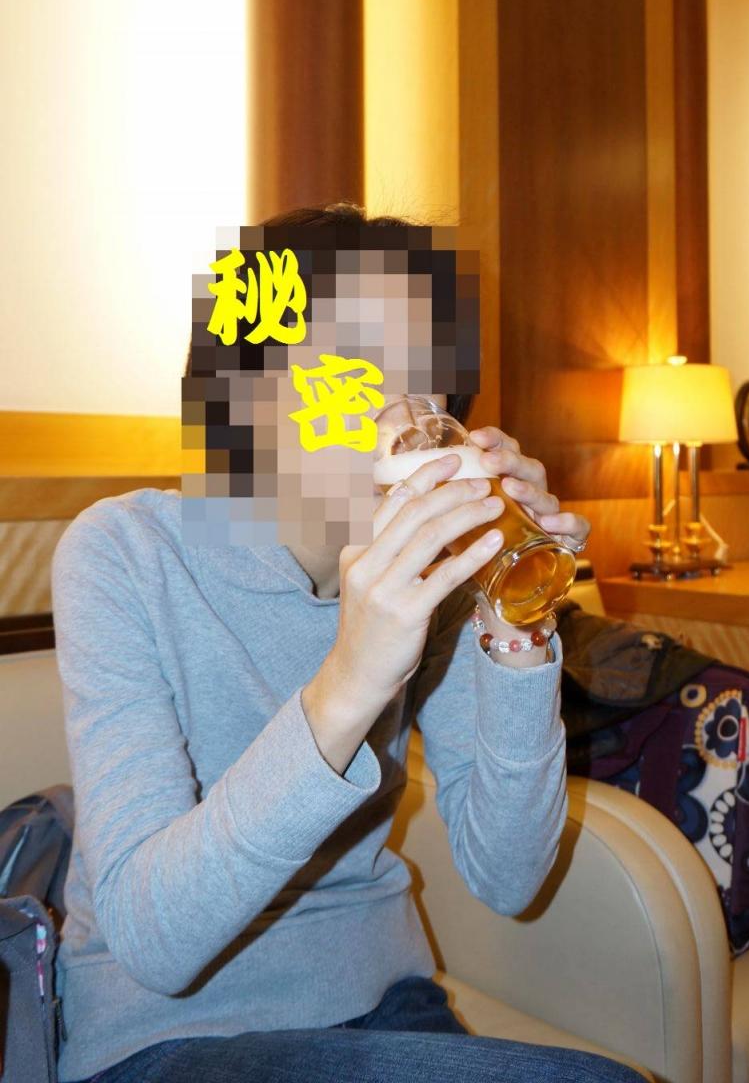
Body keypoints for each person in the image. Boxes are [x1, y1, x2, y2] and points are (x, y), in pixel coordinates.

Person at [51, 205, 643, 1083]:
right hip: (163, 1039)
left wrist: (515, 627)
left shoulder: (432, 583)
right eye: (356, 368)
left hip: (382, 1003)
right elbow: (151, 941)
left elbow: (510, 876)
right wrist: (350, 679)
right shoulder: (124, 551)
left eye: (426, 382)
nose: (403, 413)